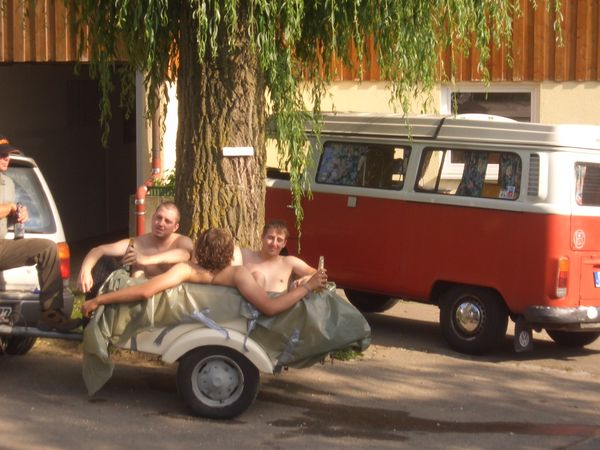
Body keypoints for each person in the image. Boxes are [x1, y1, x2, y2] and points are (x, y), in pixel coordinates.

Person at [81, 228, 327, 318]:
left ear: (199, 250)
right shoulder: (238, 275)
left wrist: (98, 300)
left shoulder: (186, 270)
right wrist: (307, 286)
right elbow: (270, 308)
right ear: (228, 252)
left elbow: (145, 291)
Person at [0, 134, 80, 331]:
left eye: (7, 154)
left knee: (48, 248)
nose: (6, 158)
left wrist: (18, 215)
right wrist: (9, 207)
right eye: (1, 155)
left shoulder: (8, 183)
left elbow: (7, 214)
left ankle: (50, 314)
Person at [77, 201, 193, 295]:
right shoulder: (137, 243)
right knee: (105, 261)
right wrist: (85, 270)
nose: (161, 224)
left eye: (167, 221)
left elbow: (186, 254)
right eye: (158, 218)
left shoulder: (181, 241)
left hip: (172, 299)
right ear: (153, 218)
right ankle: (91, 313)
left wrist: (145, 259)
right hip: (139, 299)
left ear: (175, 227)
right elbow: (100, 250)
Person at [241, 220, 317, 292]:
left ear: (284, 243)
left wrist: (306, 279)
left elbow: (318, 274)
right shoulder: (245, 255)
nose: (274, 244)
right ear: (262, 237)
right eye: (271, 238)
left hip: (280, 300)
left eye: (279, 240)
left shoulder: (289, 262)